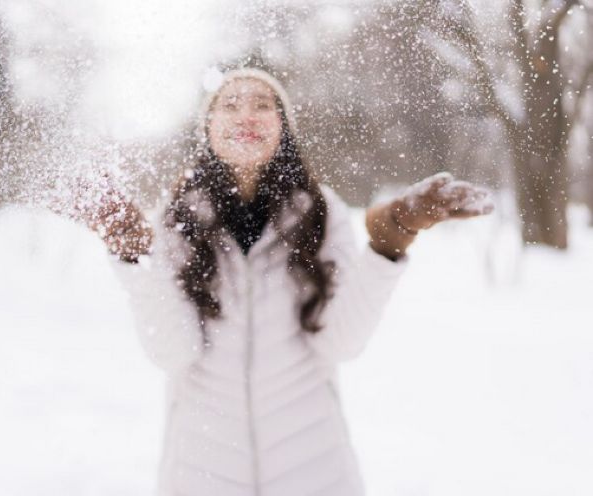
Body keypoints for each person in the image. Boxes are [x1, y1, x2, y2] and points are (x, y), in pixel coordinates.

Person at [78, 68, 493, 496]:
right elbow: (172, 352)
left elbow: (341, 343)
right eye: (230, 105)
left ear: (283, 128)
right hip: (200, 474)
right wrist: (132, 255)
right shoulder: (177, 218)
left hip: (315, 472)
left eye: (263, 104)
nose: (247, 115)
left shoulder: (321, 211)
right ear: (209, 128)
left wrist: (391, 241)